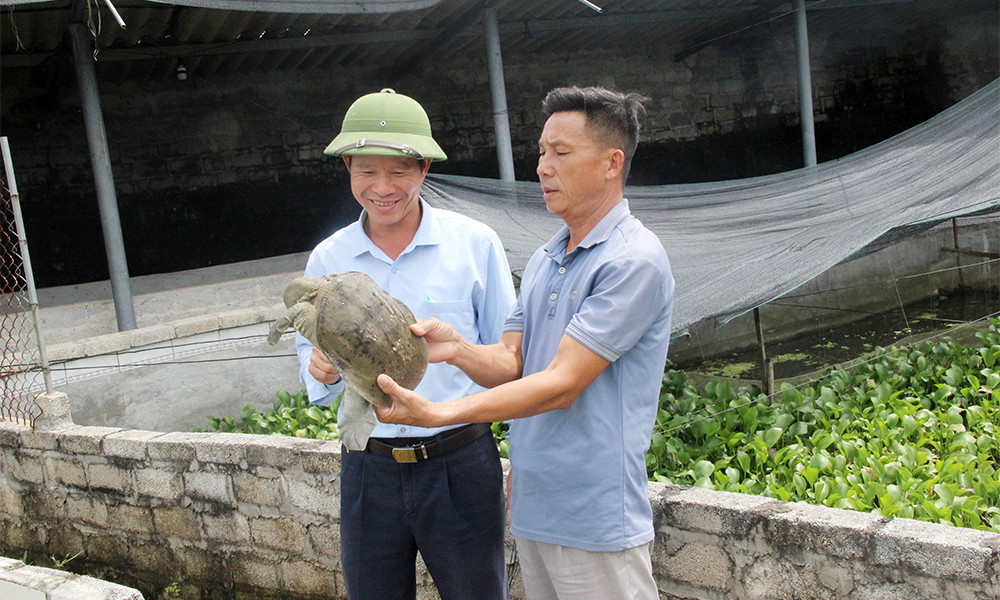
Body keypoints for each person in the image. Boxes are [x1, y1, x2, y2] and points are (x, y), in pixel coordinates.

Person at [375, 86, 674, 600]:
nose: (542, 167)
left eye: (561, 153)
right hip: (536, 511)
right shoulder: (545, 258)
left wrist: (441, 414)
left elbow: (560, 384)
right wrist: (457, 348)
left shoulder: (631, 261)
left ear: (611, 163)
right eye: (541, 152)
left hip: (596, 520)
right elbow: (514, 361)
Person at [295, 88, 516, 600]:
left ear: (424, 170)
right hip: (369, 469)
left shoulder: (474, 244)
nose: (383, 187)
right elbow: (313, 366)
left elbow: (511, 365)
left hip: (460, 461)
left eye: (399, 172)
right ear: (347, 166)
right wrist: (321, 369)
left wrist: (459, 348)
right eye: (367, 171)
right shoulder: (328, 259)